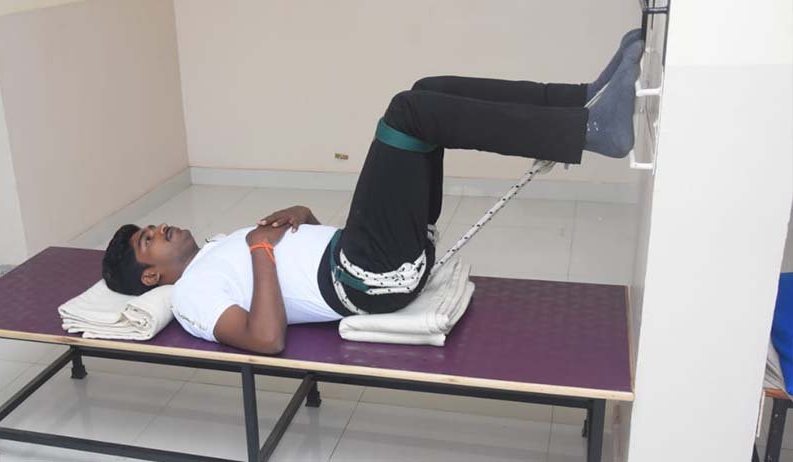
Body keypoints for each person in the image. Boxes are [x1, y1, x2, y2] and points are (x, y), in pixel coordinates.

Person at [102, 31, 644, 354]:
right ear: (151, 276)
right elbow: (266, 339)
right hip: (369, 278)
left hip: (365, 255)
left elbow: (296, 280)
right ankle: (591, 131)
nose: (160, 228)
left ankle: (581, 101)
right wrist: (262, 250)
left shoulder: (216, 248)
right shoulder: (191, 298)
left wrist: (304, 218)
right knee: (408, 112)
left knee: (427, 92)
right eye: (149, 240)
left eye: (152, 228)